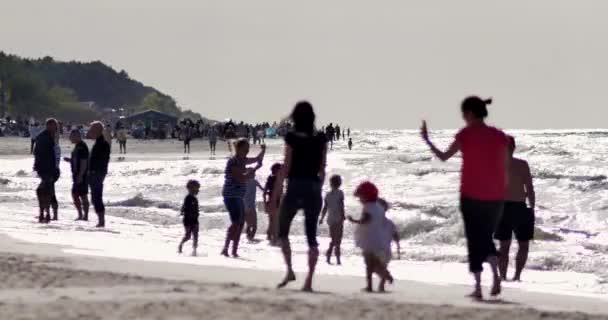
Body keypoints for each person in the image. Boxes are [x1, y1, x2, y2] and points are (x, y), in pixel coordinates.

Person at [421, 96, 508, 300]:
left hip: (470, 194)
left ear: (469, 113)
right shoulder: (499, 136)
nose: (463, 117)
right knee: (486, 236)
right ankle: (495, 275)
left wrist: (427, 139)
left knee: (474, 239)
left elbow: (443, 157)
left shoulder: (465, 135)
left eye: (463, 114)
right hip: (496, 197)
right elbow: (505, 166)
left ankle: (478, 287)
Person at [271, 101, 327, 292]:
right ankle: (309, 281)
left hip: (295, 186)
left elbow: (285, 168)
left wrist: (276, 195)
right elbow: (322, 170)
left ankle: (289, 270)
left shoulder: (292, 137)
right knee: (311, 237)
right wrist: (317, 188)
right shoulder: (321, 138)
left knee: (282, 231)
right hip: (313, 187)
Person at [495, 136, 536, 282]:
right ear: (513, 147)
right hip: (519, 208)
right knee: (523, 245)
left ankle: (503, 276)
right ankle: (516, 276)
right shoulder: (522, 164)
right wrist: (532, 207)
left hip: (503, 208)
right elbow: (529, 188)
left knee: (504, 245)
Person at [221, 140, 265, 258]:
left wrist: (263, 151)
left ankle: (234, 250)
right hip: (230, 195)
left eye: (248, 149)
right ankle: (226, 248)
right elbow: (241, 178)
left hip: (239, 195)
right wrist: (254, 170)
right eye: (245, 149)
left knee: (240, 224)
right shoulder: (233, 162)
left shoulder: (242, 160)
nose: (247, 151)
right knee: (237, 222)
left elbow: (256, 159)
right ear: (238, 149)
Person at [347, 181, 393, 293]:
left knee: (369, 264)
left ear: (366, 196)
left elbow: (366, 219)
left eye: (361, 197)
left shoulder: (368, 207)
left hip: (368, 240)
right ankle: (384, 274)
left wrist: (354, 220)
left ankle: (371, 285)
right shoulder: (378, 207)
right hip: (377, 238)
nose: (360, 200)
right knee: (374, 262)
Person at [33, 119, 59, 223]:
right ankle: (46, 214)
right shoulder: (45, 137)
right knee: (47, 191)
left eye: (56, 126)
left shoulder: (50, 136)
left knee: (47, 190)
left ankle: (47, 214)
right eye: (54, 126)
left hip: (49, 168)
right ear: (49, 126)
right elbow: (39, 154)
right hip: (46, 168)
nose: (56, 128)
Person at [87, 121, 111, 228]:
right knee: (95, 197)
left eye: (92, 130)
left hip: (97, 173)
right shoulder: (98, 142)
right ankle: (101, 220)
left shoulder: (102, 143)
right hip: (96, 173)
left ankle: (101, 221)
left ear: (97, 130)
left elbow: (101, 161)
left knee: (96, 197)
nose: (90, 132)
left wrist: (93, 171)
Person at [63, 129, 90, 221]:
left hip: (81, 175)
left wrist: (81, 175)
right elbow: (77, 160)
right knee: (77, 194)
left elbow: (84, 162)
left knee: (82, 195)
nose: (70, 138)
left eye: (72, 136)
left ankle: (84, 215)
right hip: (77, 174)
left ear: (77, 136)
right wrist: (70, 160)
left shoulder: (82, 147)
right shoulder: (78, 146)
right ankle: (81, 215)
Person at [319, 175, 345, 265]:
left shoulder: (328, 195)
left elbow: (325, 208)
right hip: (338, 218)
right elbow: (341, 206)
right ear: (339, 183)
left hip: (330, 219)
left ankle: (329, 257)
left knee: (334, 239)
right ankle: (337, 259)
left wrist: (322, 218)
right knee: (338, 240)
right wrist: (343, 216)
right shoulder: (340, 193)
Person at [178, 179, 201, 256]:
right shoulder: (188, 198)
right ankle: (181, 245)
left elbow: (196, 209)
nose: (198, 190)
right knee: (188, 236)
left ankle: (194, 251)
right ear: (190, 188)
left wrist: (197, 214)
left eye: (198, 188)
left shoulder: (195, 199)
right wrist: (182, 211)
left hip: (195, 220)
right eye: (197, 188)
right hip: (188, 220)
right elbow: (184, 206)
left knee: (196, 235)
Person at [244, 161, 264, 241]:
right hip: (251, 206)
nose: (254, 175)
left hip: (245, 206)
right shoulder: (254, 181)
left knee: (249, 224)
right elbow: (264, 190)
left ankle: (249, 239)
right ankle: (250, 238)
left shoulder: (243, 182)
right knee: (254, 226)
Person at [263, 163, 282, 244]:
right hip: (275, 201)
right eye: (280, 169)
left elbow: (264, 192)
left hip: (269, 201)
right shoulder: (277, 179)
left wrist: (265, 203)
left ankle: (269, 236)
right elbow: (279, 192)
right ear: (277, 170)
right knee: (275, 221)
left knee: (271, 220)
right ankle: (274, 238)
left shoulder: (270, 178)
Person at [50, 132, 61, 220]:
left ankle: (54, 215)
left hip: (53, 171)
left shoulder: (54, 147)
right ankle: (52, 214)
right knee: (50, 192)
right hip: (55, 171)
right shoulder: (57, 147)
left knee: (51, 193)